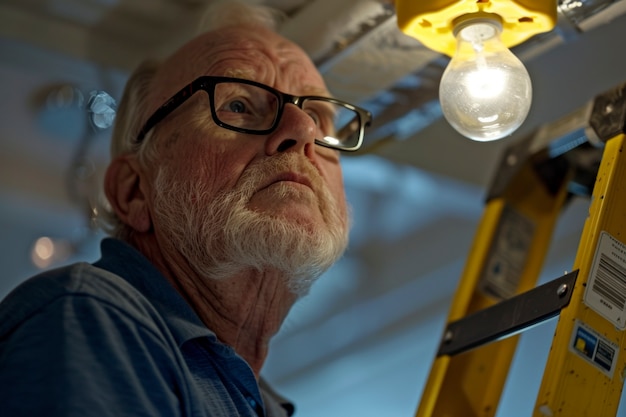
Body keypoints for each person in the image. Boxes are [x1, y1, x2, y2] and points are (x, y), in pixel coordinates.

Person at [0, 1, 372, 416]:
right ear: (134, 191)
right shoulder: (92, 317)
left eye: (320, 117)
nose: (302, 130)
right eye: (238, 105)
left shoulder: (254, 397)